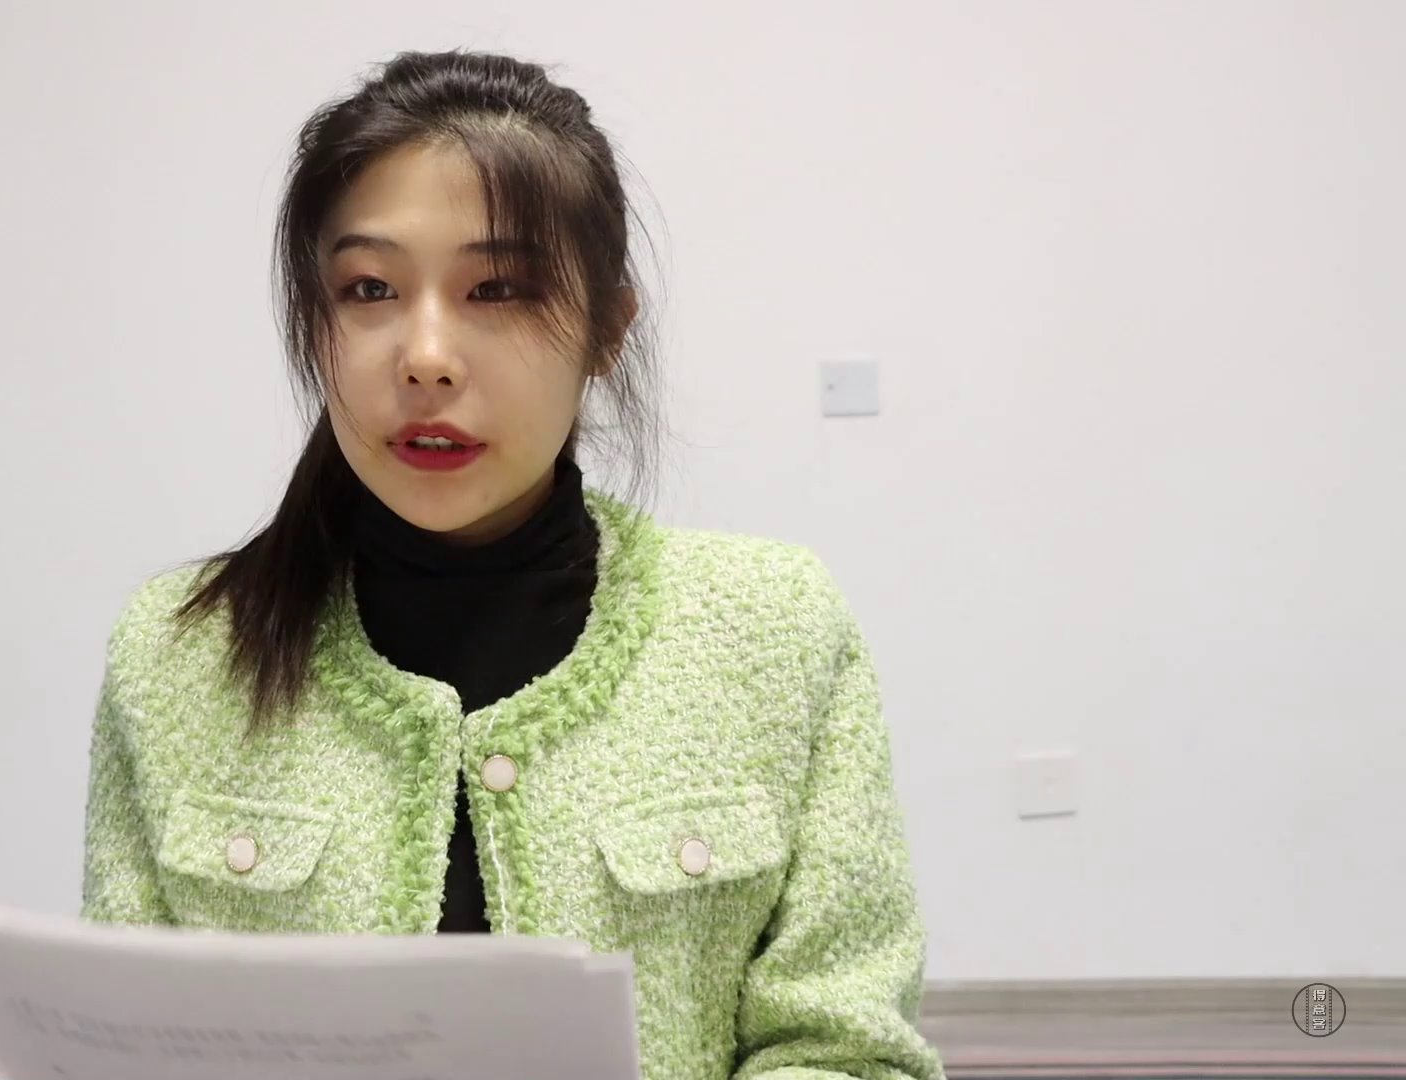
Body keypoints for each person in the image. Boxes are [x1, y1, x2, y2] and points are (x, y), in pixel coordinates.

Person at [81, 47, 944, 1080]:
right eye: (368, 288)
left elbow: (847, 1051)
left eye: (496, 288)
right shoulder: (178, 651)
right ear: (317, 323)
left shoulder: (773, 628)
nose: (425, 356)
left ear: (607, 330)